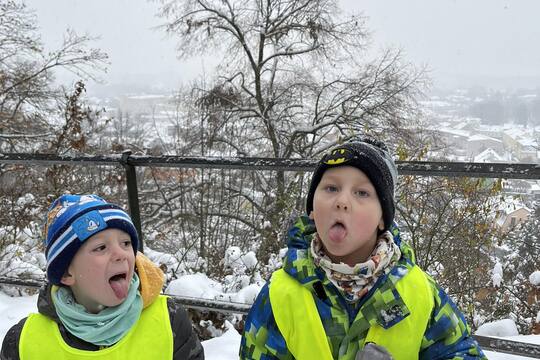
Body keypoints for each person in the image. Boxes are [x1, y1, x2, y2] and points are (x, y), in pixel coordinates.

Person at [239, 137, 486, 360]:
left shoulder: (419, 293)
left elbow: (462, 353)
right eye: (331, 188)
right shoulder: (280, 295)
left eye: (362, 192)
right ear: (313, 210)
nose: (342, 202)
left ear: (382, 218)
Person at [1, 194, 204, 359]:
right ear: (66, 273)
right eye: (101, 247)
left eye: (126, 243)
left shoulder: (170, 322)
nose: (121, 254)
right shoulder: (23, 343)